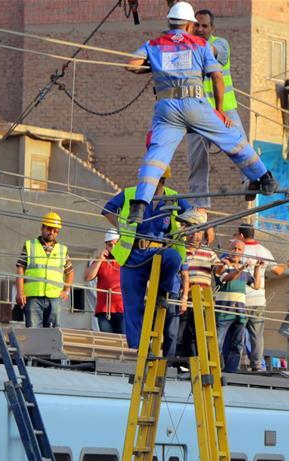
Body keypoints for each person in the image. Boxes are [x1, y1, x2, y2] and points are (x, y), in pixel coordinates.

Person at [125, 1, 276, 225]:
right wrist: (219, 110)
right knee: (232, 140)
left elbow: (132, 65)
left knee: (157, 156)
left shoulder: (154, 44)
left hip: (167, 109)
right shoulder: (199, 44)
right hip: (197, 104)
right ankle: (265, 178)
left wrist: (157, 64)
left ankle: (139, 204)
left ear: (170, 22)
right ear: (189, 25)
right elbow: (216, 76)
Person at [102, 168, 203, 349]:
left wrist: (188, 226)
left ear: (161, 180)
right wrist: (121, 226)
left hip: (160, 250)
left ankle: (161, 292)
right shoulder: (131, 193)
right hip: (133, 255)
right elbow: (107, 210)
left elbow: (196, 215)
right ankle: (138, 349)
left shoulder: (173, 197)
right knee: (133, 305)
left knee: (173, 258)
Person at [186, 8, 244, 243]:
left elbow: (210, 52)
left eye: (204, 26)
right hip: (197, 112)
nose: (200, 29)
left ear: (212, 29)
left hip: (224, 109)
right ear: (191, 26)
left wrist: (183, 43)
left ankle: (251, 179)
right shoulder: (185, 47)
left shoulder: (221, 44)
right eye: (196, 25)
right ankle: (200, 207)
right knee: (196, 160)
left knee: (239, 142)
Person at [236, 222, 287, 371]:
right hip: (258, 300)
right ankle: (257, 365)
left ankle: (234, 364)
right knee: (256, 335)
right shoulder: (264, 251)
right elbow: (278, 271)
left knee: (237, 333)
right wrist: (286, 265)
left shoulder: (238, 249)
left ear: (241, 235)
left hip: (240, 299)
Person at [15, 212, 74, 328]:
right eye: (49, 228)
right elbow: (20, 268)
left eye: (55, 230)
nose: (51, 232)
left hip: (54, 298)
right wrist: (20, 292)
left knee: (52, 333)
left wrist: (66, 290)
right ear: (42, 228)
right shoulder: (29, 245)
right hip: (33, 297)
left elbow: (70, 272)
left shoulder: (62, 250)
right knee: (33, 331)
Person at [215, 238, 262, 373]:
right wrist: (241, 268)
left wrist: (257, 268)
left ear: (243, 252)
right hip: (223, 310)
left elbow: (256, 285)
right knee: (218, 342)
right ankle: (215, 368)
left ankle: (231, 370)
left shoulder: (245, 271)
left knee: (237, 344)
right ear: (228, 250)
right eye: (233, 248)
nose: (236, 251)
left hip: (240, 312)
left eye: (239, 249)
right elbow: (226, 278)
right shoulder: (222, 264)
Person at [177, 228, 223, 357]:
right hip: (184, 298)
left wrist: (223, 264)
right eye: (191, 232)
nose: (194, 235)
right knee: (181, 333)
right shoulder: (181, 251)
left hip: (203, 298)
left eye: (197, 232)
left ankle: (197, 359)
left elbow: (219, 271)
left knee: (199, 332)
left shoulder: (208, 252)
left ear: (202, 235)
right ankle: (179, 361)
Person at [84, 229, 125, 334]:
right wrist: (99, 260)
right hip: (104, 311)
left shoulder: (127, 261)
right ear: (106, 246)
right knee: (108, 342)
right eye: (110, 245)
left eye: (116, 244)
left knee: (124, 343)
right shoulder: (101, 261)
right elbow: (88, 277)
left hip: (123, 310)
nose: (113, 248)